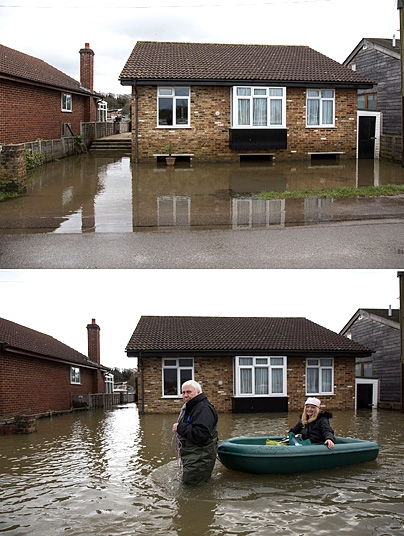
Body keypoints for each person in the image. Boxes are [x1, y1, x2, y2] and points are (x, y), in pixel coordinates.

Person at [172, 380, 218, 485]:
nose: (185, 395)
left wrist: (180, 427)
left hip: (200, 458)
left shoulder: (203, 408)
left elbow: (201, 434)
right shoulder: (192, 406)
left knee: (190, 489)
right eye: (183, 393)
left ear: (198, 392)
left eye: (189, 392)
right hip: (193, 457)